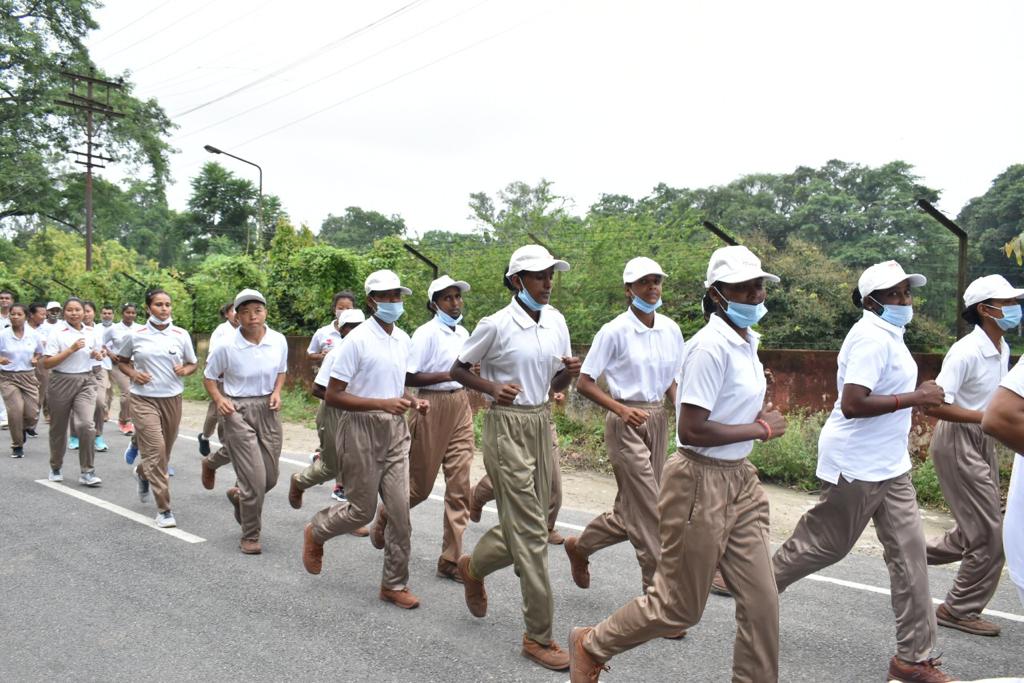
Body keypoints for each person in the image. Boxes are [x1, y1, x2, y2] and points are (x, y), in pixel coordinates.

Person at [569, 245, 786, 683]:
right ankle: (591, 644)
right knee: (679, 606)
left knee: (763, 601)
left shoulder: (746, 341)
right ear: (718, 294)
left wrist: (753, 418)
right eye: (744, 288)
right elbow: (694, 430)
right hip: (698, 480)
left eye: (759, 286)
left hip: (740, 479)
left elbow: (696, 400)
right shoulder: (709, 346)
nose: (756, 295)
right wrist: (760, 430)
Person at [768, 260, 950, 683]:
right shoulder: (870, 336)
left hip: (892, 465)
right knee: (825, 546)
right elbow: (853, 403)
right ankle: (755, 588)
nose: (905, 300)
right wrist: (916, 397)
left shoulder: (892, 334)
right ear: (871, 302)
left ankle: (912, 660)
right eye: (894, 294)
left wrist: (912, 398)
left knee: (911, 557)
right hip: (857, 462)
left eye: (907, 292)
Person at [449, 245, 580, 672]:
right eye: (539, 276)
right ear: (516, 280)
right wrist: (490, 389)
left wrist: (569, 373)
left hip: (541, 421)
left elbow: (555, 378)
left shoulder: (556, 320)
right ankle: (538, 636)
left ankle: (473, 567)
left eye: (550, 276)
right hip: (506, 426)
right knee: (532, 534)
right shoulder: (497, 324)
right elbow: (459, 368)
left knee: (535, 523)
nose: (547, 283)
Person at [301, 270, 428, 611]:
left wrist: (412, 401)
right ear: (372, 300)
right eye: (387, 297)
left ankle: (393, 584)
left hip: (395, 431)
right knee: (361, 511)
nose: (394, 302)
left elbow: (392, 384)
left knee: (401, 514)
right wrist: (382, 404)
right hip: (359, 428)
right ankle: (317, 531)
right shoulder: (355, 342)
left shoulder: (403, 339)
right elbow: (333, 395)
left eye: (398, 296)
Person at [565, 256, 684, 593]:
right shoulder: (614, 330)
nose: (652, 288)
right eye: (644, 282)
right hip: (624, 422)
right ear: (629, 289)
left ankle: (581, 545)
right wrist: (620, 410)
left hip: (657, 418)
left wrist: (683, 414)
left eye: (657, 281)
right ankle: (657, 592)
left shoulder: (671, 329)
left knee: (632, 509)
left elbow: (673, 382)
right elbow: (585, 382)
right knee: (651, 508)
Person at [924, 275, 1023, 637]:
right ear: (984, 309)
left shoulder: (1004, 348)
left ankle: (906, 552)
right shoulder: (965, 350)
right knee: (988, 533)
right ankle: (958, 608)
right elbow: (936, 406)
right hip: (958, 440)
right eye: (1007, 302)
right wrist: (985, 418)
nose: (1015, 309)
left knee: (975, 531)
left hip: (984, 439)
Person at [366, 274, 476, 582]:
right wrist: (449, 373)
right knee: (420, 487)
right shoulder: (426, 334)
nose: (455, 303)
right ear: (434, 304)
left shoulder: (463, 332)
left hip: (460, 405)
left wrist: (468, 377)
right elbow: (409, 377)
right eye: (448, 298)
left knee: (460, 485)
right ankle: (387, 513)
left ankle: (451, 558)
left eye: (458, 297)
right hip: (431, 405)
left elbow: (465, 372)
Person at [203, 289, 287, 554]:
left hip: (268, 409)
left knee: (270, 478)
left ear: (266, 313)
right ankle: (250, 535)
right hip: (236, 410)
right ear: (237, 316)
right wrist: (219, 399)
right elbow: (209, 376)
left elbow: (282, 371)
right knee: (254, 478)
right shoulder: (226, 346)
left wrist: (276, 392)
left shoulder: (278, 340)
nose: (253, 316)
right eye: (246, 312)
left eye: (258, 310)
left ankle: (237, 494)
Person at [115, 289, 197, 528]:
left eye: (168, 304)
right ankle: (164, 510)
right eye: (159, 304)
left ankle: (142, 473)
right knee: (156, 450)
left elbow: (193, 363)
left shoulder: (181, 334)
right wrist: (134, 374)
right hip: (143, 399)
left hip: (172, 399)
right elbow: (122, 361)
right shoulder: (135, 334)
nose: (164, 309)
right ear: (148, 308)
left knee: (163, 454)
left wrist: (186, 370)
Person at [288, 307, 368, 535]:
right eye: (349, 327)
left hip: (359, 413)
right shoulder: (337, 353)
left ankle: (351, 517)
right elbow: (317, 389)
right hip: (333, 412)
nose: (354, 331)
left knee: (357, 464)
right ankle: (300, 481)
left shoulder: (370, 351)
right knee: (332, 466)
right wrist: (345, 400)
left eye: (359, 326)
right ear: (341, 330)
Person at [469, 389, 567, 545]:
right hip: (511, 414)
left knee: (552, 477)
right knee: (513, 476)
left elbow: (552, 372)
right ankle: (478, 494)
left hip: (542, 415)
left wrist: (555, 389)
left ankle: (545, 527)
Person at [42, 297, 104, 486]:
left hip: (86, 380)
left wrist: (98, 355)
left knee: (86, 425)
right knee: (58, 429)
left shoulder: (92, 332)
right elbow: (47, 363)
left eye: (78, 310)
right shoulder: (57, 332)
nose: (75, 313)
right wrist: (71, 349)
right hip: (61, 380)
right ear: (64, 312)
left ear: (85, 312)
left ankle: (87, 471)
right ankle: (55, 466)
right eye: (70, 310)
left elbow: (97, 357)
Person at [981, 357, 1024, 609]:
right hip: (961, 433)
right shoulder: (967, 351)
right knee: (980, 529)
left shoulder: (1002, 349)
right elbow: (999, 417)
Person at [0, 304, 44, 457]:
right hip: (8, 377)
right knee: (15, 411)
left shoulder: (33, 334)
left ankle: (25, 428)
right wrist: (1, 359)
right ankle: (17, 445)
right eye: (13, 314)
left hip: (28, 376)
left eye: (19, 314)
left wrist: (35, 359)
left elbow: (40, 352)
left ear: (26, 316)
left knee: (32, 413)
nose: (15, 317)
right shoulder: (3, 335)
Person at [197, 301, 237, 459]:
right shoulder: (221, 331)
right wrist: (217, 373)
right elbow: (213, 355)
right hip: (221, 378)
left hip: (236, 379)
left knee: (230, 412)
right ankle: (205, 437)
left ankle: (227, 444)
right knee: (216, 413)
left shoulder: (246, 330)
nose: (236, 313)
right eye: (233, 311)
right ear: (226, 314)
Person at [69, 301, 109, 453]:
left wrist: (101, 354)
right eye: (82, 311)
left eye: (88, 311)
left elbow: (103, 349)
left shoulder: (97, 330)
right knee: (77, 405)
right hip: (77, 373)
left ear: (94, 313)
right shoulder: (69, 331)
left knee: (99, 403)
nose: (85, 314)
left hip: (97, 371)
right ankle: (74, 435)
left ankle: (98, 435)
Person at [105, 303, 143, 436]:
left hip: (136, 365)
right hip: (119, 364)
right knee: (126, 392)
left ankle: (133, 419)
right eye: (128, 312)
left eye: (133, 313)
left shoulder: (140, 329)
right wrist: (110, 354)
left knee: (137, 393)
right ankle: (125, 421)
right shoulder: (113, 329)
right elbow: (101, 343)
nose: (130, 315)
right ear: (122, 313)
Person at [306, 291, 356, 363]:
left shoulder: (360, 331)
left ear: (354, 310)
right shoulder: (322, 332)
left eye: (348, 308)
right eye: (341, 308)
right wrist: (321, 356)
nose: (344, 311)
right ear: (334, 309)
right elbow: (310, 354)